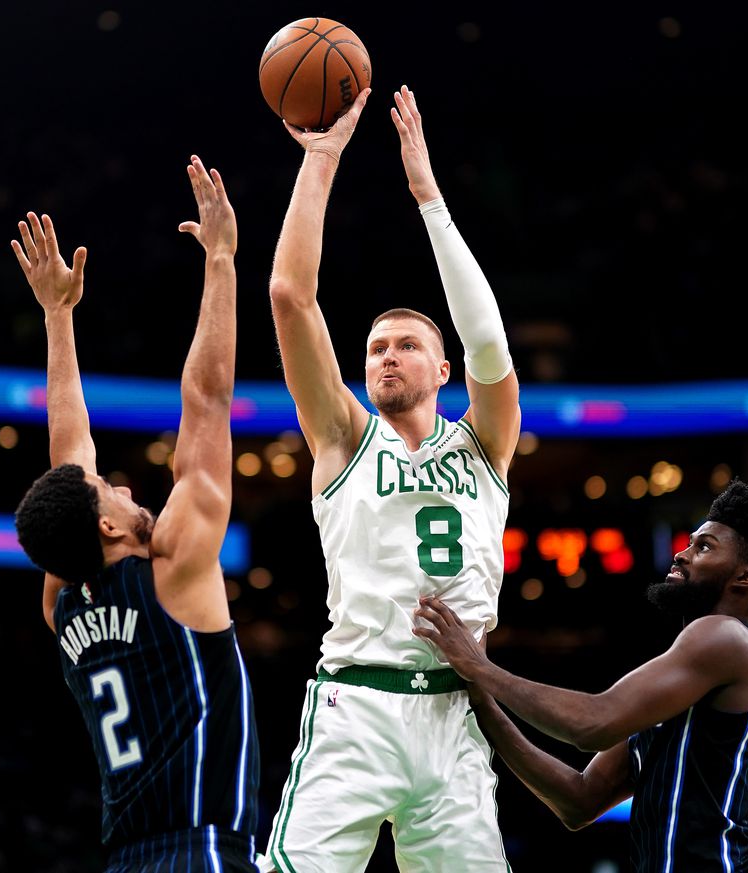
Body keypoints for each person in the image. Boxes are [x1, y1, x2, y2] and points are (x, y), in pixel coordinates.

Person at [261, 85, 522, 872]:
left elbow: (490, 341)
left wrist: (429, 198)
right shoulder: (343, 436)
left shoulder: (486, 443)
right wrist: (322, 160)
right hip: (357, 705)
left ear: (442, 370)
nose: (384, 355)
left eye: (404, 345)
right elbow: (288, 296)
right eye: (375, 347)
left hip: (457, 711)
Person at [11, 157, 259, 871]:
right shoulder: (174, 571)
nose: (125, 488)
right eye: (112, 490)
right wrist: (221, 260)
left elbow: (69, 461)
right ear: (109, 526)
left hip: (124, 860)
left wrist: (59, 316)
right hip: (203, 848)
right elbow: (207, 400)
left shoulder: (61, 603)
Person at [414, 480, 748, 872]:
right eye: (690, 542)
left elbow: (593, 724)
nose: (682, 555)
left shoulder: (725, 636)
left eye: (704, 547)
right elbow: (580, 800)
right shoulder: (685, 672)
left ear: (746, 577)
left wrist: (481, 668)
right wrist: (484, 702)